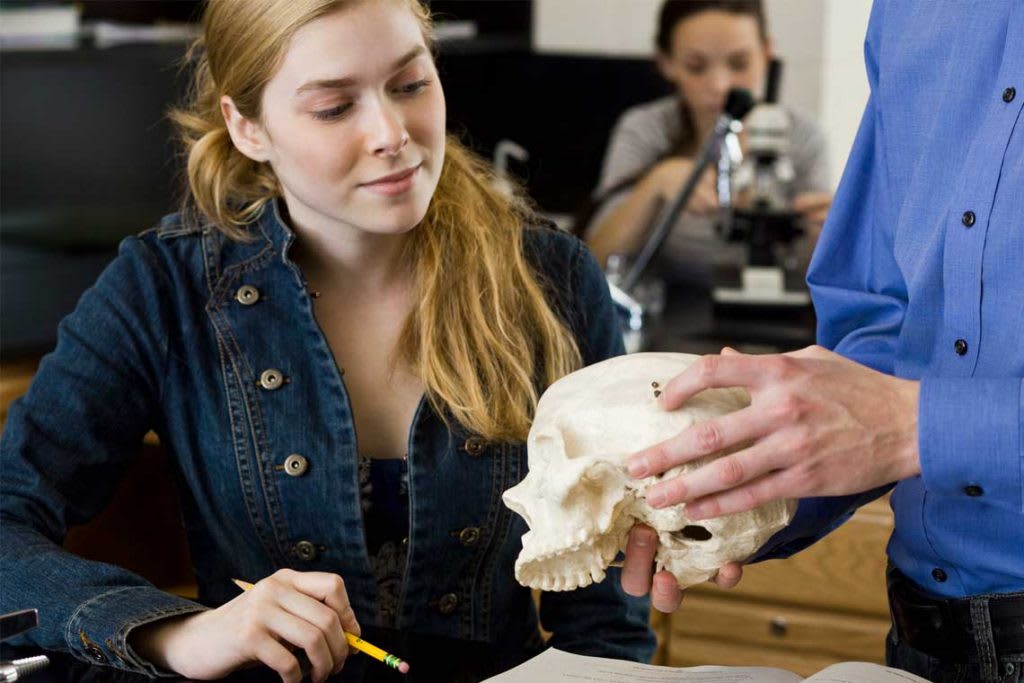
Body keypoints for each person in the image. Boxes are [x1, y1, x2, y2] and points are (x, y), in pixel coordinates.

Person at [0, 1, 655, 681]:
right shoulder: (163, 285)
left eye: (409, 85)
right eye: (335, 107)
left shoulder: (553, 279)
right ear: (247, 127)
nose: (392, 133)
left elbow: (609, 619)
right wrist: (179, 633)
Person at [618, 1, 1024, 681]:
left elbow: (899, 417)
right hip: (924, 644)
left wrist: (916, 428)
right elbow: (886, 320)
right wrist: (745, 480)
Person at [584, 0, 833, 287]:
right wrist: (655, 185)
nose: (720, 85)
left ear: (766, 53)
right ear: (667, 63)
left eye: (739, 64)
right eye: (696, 67)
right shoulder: (646, 130)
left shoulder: (804, 137)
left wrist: (833, 239)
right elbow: (594, 259)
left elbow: (824, 272)